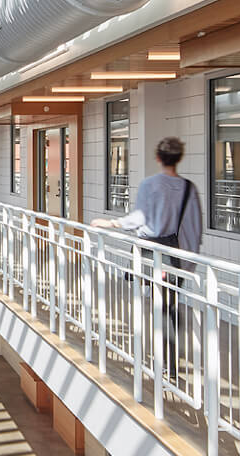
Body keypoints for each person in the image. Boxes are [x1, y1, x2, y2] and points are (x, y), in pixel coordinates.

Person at [91, 136, 201, 379]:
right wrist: (189, 263)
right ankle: (168, 359)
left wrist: (112, 222)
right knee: (168, 305)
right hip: (174, 252)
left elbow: (139, 218)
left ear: (158, 158)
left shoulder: (150, 185)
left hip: (150, 250)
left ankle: (164, 361)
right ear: (179, 158)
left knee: (159, 305)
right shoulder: (188, 188)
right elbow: (193, 229)